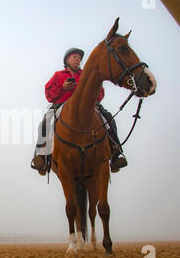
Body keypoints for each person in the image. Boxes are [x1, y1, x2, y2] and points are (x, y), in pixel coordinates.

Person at [31, 47, 128, 175]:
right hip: (61, 105)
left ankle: (116, 152)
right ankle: (41, 156)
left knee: (108, 118)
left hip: (88, 107)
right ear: (67, 60)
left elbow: (100, 94)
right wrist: (63, 88)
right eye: (75, 57)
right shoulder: (58, 75)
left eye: (79, 58)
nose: (78, 59)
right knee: (44, 122)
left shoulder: (86, 75)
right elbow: (49, 94)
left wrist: (85, 90)